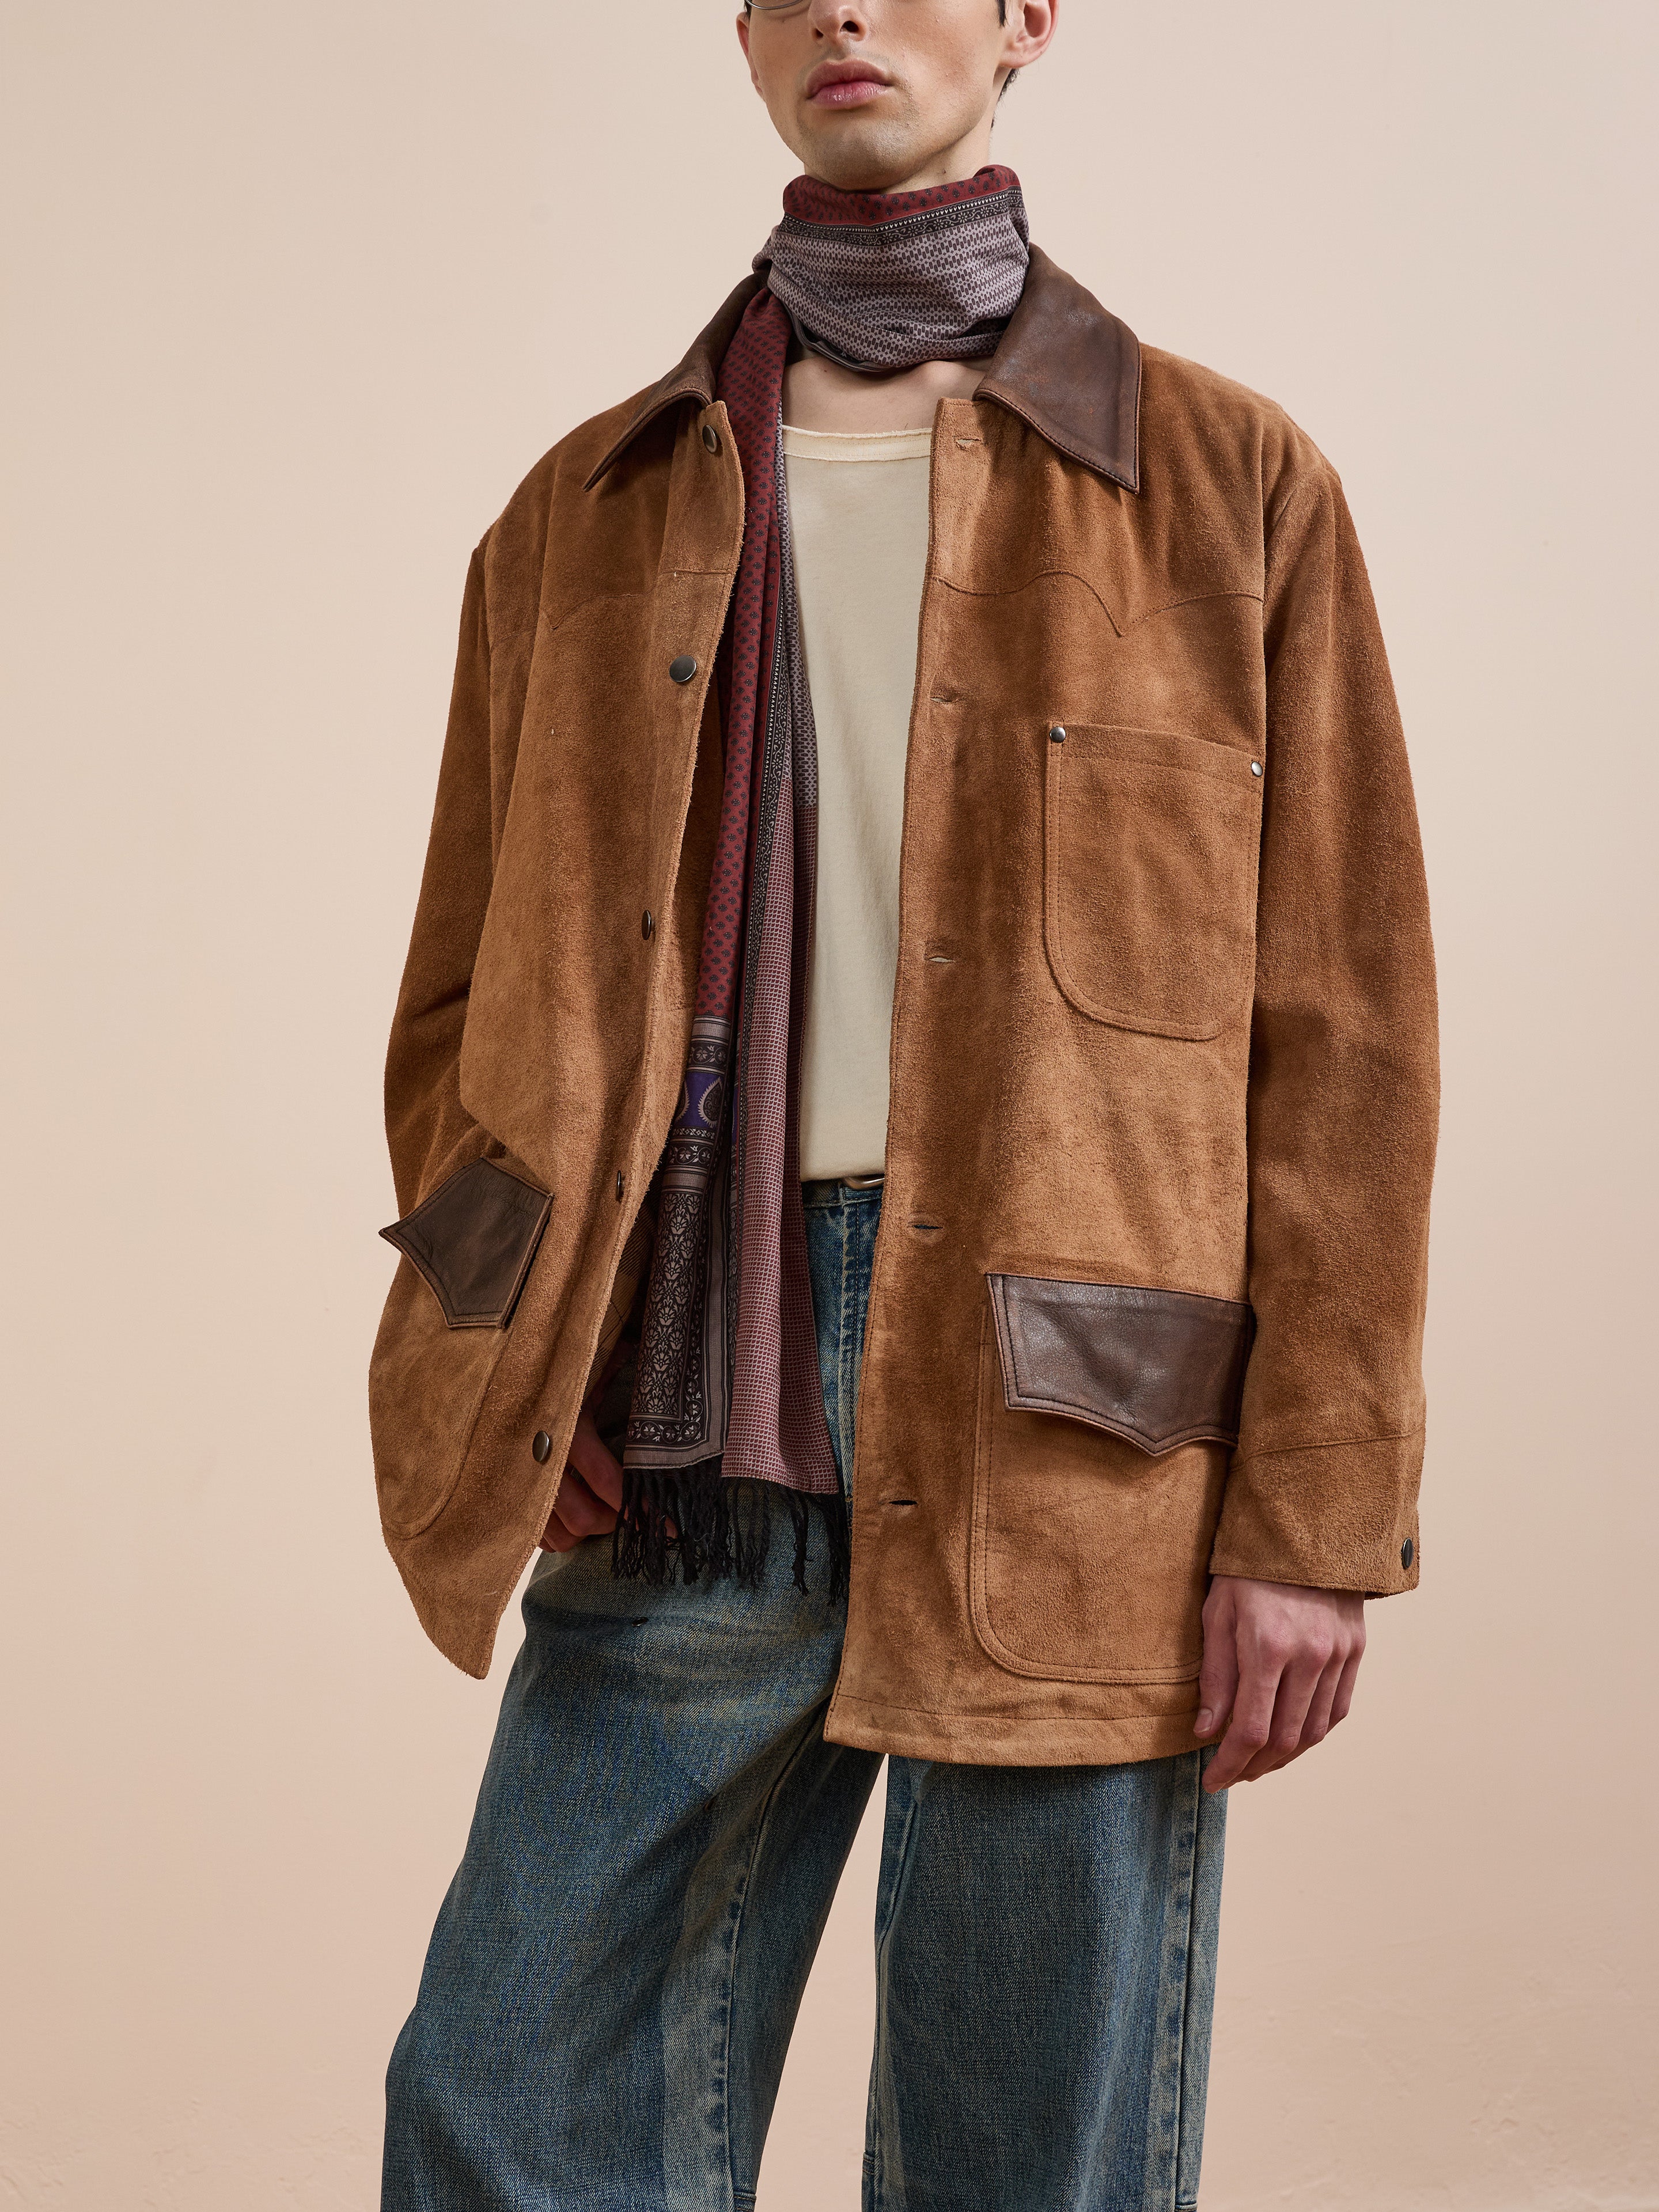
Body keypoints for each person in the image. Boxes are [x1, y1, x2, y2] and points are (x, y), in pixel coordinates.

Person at [370, 1, 1439, 2204]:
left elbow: (1347, 1046)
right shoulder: (587, 515)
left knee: (1016, 2151)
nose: (852, 10)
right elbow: (462, 1011)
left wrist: (1316, 1515)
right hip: (683, 1394)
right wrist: (505, 1356)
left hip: (1082, 1430)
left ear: (1033, 16)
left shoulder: (1228, 488)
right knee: (507, 2104)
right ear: (747, 37)